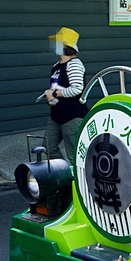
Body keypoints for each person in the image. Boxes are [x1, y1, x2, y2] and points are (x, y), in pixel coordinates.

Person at [43, 27, 87, 166]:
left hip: (72, 116)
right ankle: (64, 173)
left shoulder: (74, 64)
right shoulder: (56, 66)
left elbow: (77, 89)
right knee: (48, 147)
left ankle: (80, 182)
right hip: (56, 116)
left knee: (75, 155)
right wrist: (51, 97)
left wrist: (55, 94)